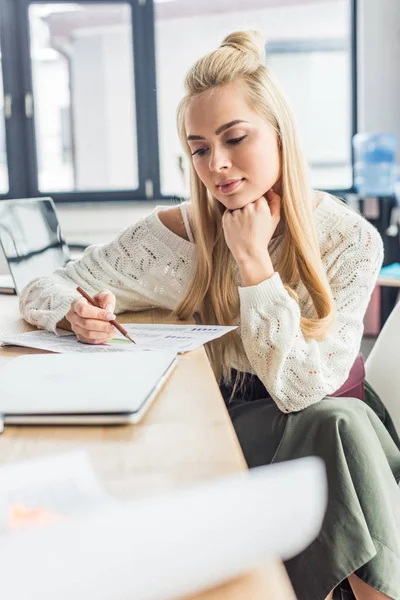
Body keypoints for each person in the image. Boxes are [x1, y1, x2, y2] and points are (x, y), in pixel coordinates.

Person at [20, 31, 400, 600]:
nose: (217, 165)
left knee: (336, 423)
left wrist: (253, 265)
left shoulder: (351, 240)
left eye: (235, 138)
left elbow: (301, 392)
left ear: (280, 134)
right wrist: (71, 312)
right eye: (199, 149)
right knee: (336, 429)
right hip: (235, 421)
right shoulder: (176, 236)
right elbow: (41, 285)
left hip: (328, 413)